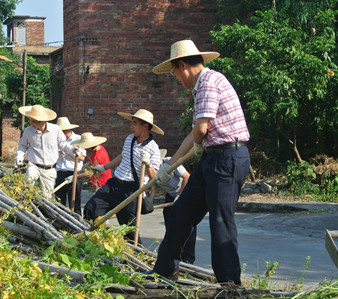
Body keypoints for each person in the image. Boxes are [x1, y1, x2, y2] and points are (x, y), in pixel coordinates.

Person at [151, 39, 251, 284]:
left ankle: (229, 285)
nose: (176, 78)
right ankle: (165, 272)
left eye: (175, 73)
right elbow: (196, 132)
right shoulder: (200, 87)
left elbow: (201, 130)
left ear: (182, 66)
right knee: (181, 212)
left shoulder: (208, 81)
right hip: (212, 158)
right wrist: (169, 163)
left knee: (220, 223)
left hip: (228, 158)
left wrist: (199, 139)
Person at [84, 109, 163, 243]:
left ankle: (137, 256)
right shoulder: (130, 139)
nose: (131, 126)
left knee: (129, 232)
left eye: (134, 123)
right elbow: (123, 157)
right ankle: (100, 241)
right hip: (114, 184)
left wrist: (148, 163)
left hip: (132, 191)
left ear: (145, 126)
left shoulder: (153, 148)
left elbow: (154, 177)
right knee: (91, 208)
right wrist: (104, 167)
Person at [15, 105, 79, 199]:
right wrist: (19, 156)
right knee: (28, 182)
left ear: (42, 121)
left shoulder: (55, 130)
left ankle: (41, 212)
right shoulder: (28, 131)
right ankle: (25, 202)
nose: (31, 123)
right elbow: (22, 145)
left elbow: (63, 145)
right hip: (34, 165)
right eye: (30, 120)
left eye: (33, 121)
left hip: (49, 169)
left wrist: (72, 149)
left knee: (47, 196)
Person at [158, 155, 195, 264]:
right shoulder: (152, 169)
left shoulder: (170, 162)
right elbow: (153, 184)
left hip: (185, 192)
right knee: (170, 225)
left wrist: (180, 195)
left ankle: (188, 258)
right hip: (170, 196)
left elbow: (187, 177)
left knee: (187, 226)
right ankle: (173, 256)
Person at [54, 117, 86, 213]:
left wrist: (69, 151)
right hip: (59, 172)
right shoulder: (55, 139)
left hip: (74, 173)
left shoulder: (78, 139)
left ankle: (77, 221)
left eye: (63, 131)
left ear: (68, 130)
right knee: (59, 201)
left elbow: (82, 158)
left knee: (75, 201)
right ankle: (60, 221)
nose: (62, 134)